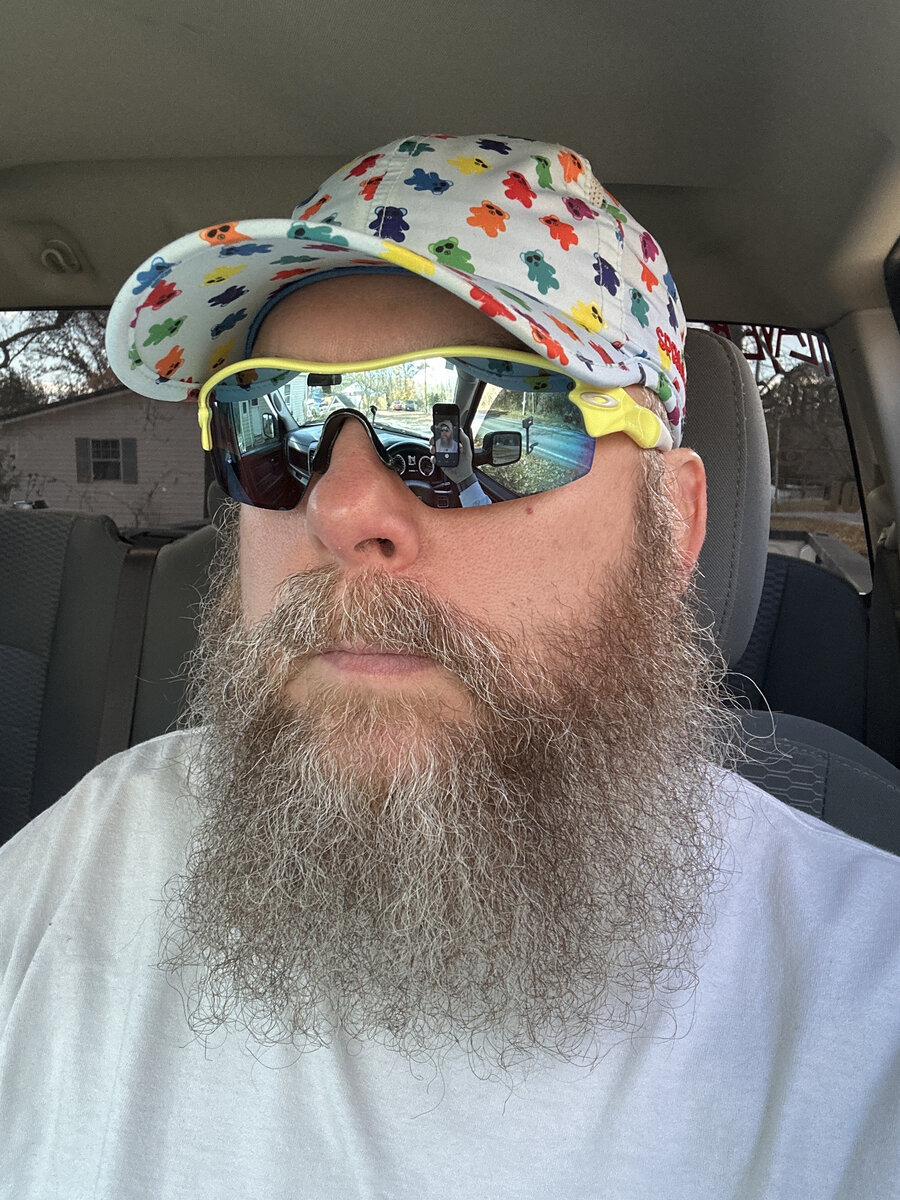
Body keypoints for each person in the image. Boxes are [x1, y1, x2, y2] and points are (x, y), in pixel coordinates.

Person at [1, 134, 898, 1199]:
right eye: (274, 425)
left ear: (674, 528)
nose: (340, 510)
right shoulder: (86, 861)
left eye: (478, 423)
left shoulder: (862, 1002)